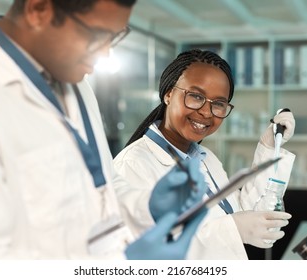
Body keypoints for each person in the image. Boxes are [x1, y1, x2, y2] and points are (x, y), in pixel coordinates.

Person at [0, 0, 208, 259]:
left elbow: (97, 189)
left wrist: (148, 206)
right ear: (38, 10)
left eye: (115, 36)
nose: (106, 53)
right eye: (97, 36)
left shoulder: (76, 83)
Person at [113, 49, 296, 259]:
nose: (206, 112)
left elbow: (246, 212)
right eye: (196, 96)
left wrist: (268, 148)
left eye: (218, 104)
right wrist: (230, 230)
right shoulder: (133, 164)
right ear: (168, 94)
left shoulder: (206, 158)